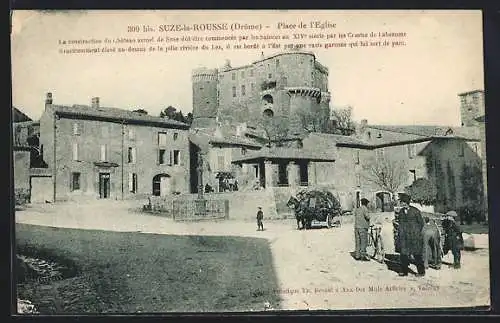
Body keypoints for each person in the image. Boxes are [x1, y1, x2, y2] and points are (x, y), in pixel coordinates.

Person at [397, 193, 425, 277]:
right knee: (403, 254)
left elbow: (421, 223)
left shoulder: (415, 211)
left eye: (401, 202)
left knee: (417, 254)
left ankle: (421, 272)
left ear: (405, 202)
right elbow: (400, 223)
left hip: (414, 237)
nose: (400, 203)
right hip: (404, 237)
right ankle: (404, 271)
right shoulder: (401, 212)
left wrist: (416, 233)